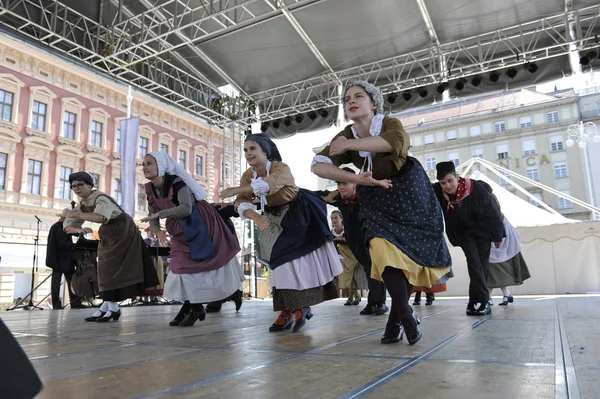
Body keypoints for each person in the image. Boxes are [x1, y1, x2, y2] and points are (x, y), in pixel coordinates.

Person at [312, 81, 452, 345]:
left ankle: (394, 321)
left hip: (410, 192)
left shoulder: (389, 123)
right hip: (375, 194)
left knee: (409, 257)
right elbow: (318, 165)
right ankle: (407, 315)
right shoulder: (346, 135)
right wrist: (357, 180)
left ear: (373, 103)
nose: (351, 101)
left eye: (359, 97)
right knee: (380, 249)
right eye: (347, 99)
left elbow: (394, 143)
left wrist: (347, 147)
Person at [221, 133, 342, 333]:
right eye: (245, 150)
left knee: (297, 260)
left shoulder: (280, 168)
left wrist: (236, 189)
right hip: (273, 217)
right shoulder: (248, 176)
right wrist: (256, 217)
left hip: (299, 214)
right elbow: (241, 203)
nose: (248, 153)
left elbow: (268, 185)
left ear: (265, 151)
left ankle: (297, 307)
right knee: (278, 262)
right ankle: (289, 309)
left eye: (252, 149)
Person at [141, 152, 244, 327]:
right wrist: (158, 232)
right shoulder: (149, 188)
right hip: (180, 230)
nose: (145, 167)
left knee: (201, 266)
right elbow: (152, 214)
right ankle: (195, 308)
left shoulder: (177, 183)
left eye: (149, 163)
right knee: (181, 268)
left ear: (161, 165)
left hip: (200, 224)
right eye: (143, 164)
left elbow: (186, 209)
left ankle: (201, 306)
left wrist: (163, 213)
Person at [64, 172, 159, 322]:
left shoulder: (100, 198)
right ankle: (110, 308)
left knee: (112, 268)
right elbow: (68, 225)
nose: (76, 188)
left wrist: (80, 215)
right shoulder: (81, 203)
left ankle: (110, 308)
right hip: (108, 231)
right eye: (73, 186)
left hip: (122, 229)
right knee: (105, 269)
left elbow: (101, 217)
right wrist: (77, 229)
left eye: (80, 185)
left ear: (90, 185)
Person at [432, 162, 504, 316]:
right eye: (443, 183)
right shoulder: (438, 191)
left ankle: (476, 301)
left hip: (483, 231)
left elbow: (493, 211)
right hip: (463, 233)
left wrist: (498, 235)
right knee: (474, 263)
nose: (448, 186)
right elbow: (421, 193)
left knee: (481, 266)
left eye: (450, 181)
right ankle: (483, 301)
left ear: (457, 177)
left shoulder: (475, 188)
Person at [322, 167, 388, 316]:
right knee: (369, 269)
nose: (341, 187)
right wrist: (324, 198)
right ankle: (373, 302)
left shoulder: (363, 196)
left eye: (345, 183)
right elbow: (319, 195)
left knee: (374, 269)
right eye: (338, 184)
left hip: (370, 239)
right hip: (354, 242)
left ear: (354, 183)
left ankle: (380, 302)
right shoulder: (340, 199)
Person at [481, 183, 531, 306]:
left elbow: (493, 218)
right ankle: (505, 295)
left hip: (498, 235)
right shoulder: (491, 199)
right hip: (501, 233)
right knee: (494, 273)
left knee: (492, 273)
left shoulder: (487, 200)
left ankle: (493, 297)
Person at [205, 203, 244, 313]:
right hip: (213, 247)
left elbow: (235, 211)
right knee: (219, 274)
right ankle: (233, 294)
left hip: (225, 245)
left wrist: (232, 205)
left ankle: (218, 301)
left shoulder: (216, 208)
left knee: (220, 274)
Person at [45, 208, 83, 309]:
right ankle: (56, 305)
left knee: (72, 282)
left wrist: (78, 229)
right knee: (56, 283)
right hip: (58, 259)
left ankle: (76, 303)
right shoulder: (57, 227)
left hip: (67, 259)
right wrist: (74, 245)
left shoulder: (66, 227)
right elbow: (61, 243)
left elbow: (73, 234)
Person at [330, 210, 367, 306]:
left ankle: (353, 297)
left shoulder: (347, 230)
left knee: (352, 276)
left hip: (352, 254)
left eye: (336, 218)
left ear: (341, 219)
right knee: (347, 276)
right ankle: (353, 296)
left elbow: (354, 241)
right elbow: (331, 247)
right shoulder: (331, 233)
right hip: (342, 256)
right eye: (332, 218)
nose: (334, 220)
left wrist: (342, 239)